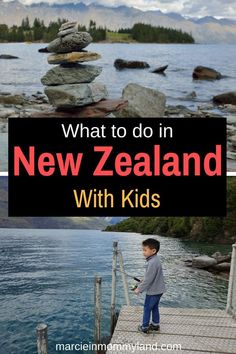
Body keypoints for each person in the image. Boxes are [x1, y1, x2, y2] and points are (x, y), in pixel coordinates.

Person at [134, 238, 166, 334]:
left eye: (145, 250)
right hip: (159, 290)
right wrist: (144, 279)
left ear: (153, 251)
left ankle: (144, 327)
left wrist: (139, 289)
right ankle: (155, 325)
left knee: (147, 308)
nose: (143, 252)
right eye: (142, 250)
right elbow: (151, 276)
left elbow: (148, 280)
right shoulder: (155, 260)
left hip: (153, 291)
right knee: (154, 307)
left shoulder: (152, 263)